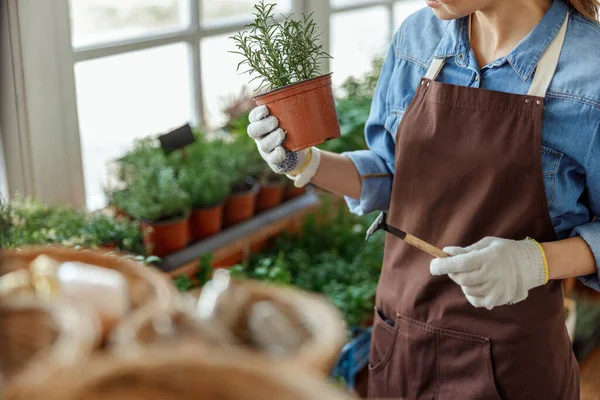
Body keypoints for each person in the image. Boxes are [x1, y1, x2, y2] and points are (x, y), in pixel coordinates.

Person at [246, 0, 600, 398]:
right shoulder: (418, 38)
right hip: (400, 344)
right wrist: (306, 163)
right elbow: (392, 176)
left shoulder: (590, 74)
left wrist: (536, 262)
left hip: (514, 366)